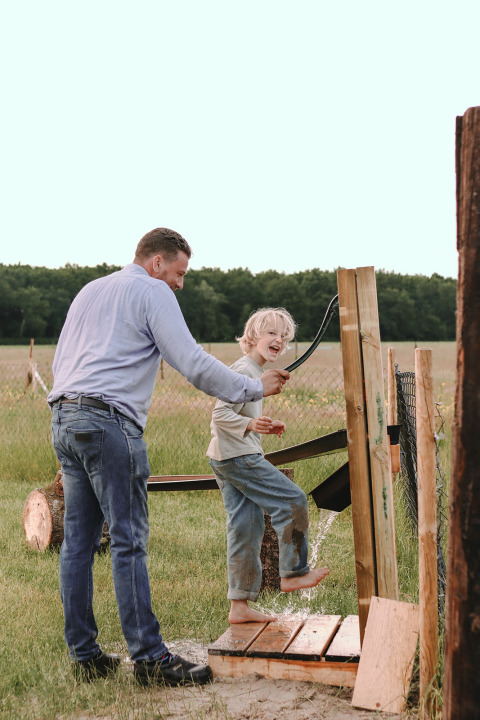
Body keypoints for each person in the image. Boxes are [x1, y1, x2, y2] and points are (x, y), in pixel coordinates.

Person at [47, 228, 290, 686]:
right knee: (128, 540)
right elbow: (193, 363)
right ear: (157, 262)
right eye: (179, 272)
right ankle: (151, 660)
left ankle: (84, 655)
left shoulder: (89, 290)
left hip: (63, 418)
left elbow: (64, 360)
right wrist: (253, 387)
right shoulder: (152, 291)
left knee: (78, 544)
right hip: (109, 423)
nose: (180, 283)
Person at [207, 308, 329, 624]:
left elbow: (238, 414)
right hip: (238, 457)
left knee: (246, 529)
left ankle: (240, 606)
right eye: (271, 333)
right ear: (253, 336)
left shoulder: (252, 371)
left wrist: (262, 424)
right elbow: (219, 415)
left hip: (226, 455)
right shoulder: (245, 371)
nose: (278, 340)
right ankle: (293, 573)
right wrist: (250, 425)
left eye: (283, 337)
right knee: (292, 500)